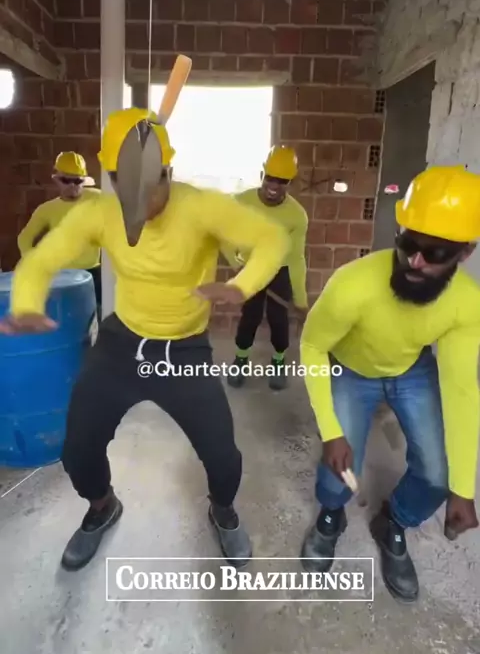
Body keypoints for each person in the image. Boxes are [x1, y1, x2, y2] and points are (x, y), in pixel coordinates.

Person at [0, 107, 289, 572]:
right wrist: (27, 303)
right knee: (78, 449)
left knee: (223, 456)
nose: (142, 198)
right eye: (125, 184)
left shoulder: (201, 207)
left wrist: (241, 286)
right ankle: (102, 507)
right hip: (122, 342)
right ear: (112, 179)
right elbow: (40, 260)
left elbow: (272, 239)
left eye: (152, 184)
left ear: (168, 171)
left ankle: (223, 510)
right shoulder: (99, 212)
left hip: (184, 349)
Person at [299, 165, 480, 603]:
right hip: (350, 370)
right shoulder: (353, 284)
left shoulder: (466, 304)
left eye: (435, 253)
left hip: (410, 371)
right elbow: (312, 346)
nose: (415, 261)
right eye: (408, 244)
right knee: (339, 469)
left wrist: (462, 488)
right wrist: (331, 430)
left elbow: (461, 390)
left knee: (438, 475)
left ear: (465, 253)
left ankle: (393, 522)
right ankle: (331, 514)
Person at [224, 145, 309, 391]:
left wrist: (301, 300)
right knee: (249, 316)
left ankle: (278, 362)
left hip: (279, 271)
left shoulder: (297, 216)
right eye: (270, 178)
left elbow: (296, 259)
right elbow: (224, 236)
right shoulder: (241, 202)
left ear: (290, 182)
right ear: (262, 175)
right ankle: (240, 360)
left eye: (282, 181)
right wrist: (236, 264)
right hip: (251, 268)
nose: (274, 185)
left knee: (278, 319)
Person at [17, 151, 102, 312]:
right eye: (66, 180)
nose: (72, 186)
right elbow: (24, 238)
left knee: (97, 315)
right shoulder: (47, 209)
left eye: (77, 181)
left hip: (93, 273)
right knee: (67, 316)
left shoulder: (98, 198)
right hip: (62, 276)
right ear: (56, 179)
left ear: (84, 180)